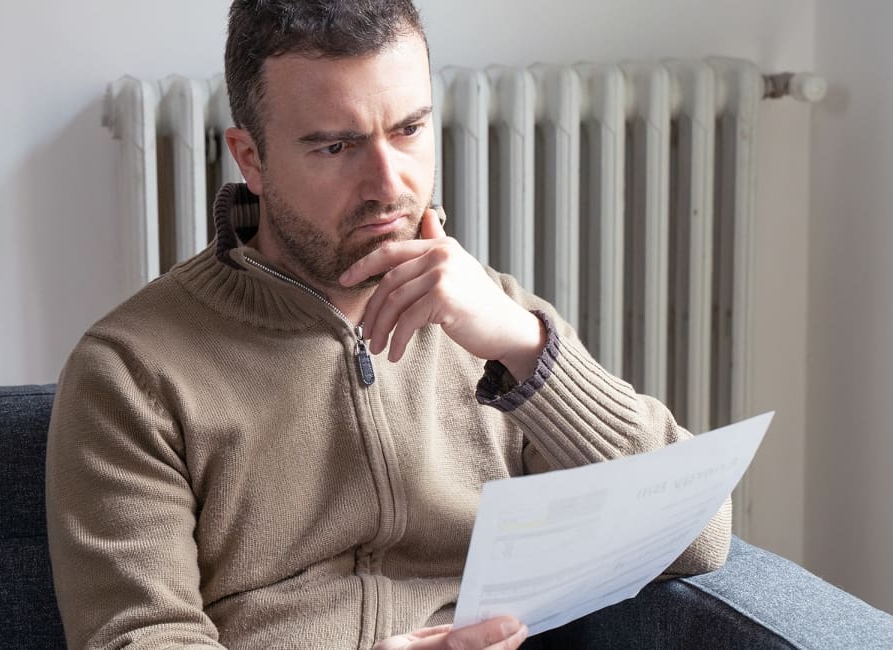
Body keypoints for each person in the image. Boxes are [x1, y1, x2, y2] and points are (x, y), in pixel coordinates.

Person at [46, 1, 732, 648]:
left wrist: (526, 348)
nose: (388, 183)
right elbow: (141, 637)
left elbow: (700, 537)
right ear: (251, 158)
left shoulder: (492, 315)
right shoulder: (131, 371)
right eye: (335, 147)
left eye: (408, 129)